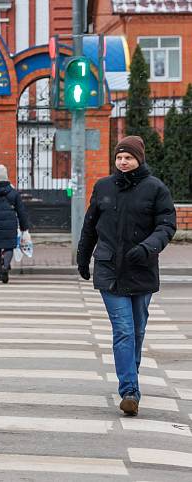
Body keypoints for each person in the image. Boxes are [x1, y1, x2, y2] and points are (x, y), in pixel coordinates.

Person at [77, 136, 176, 416]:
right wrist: (83, 258)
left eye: (128, 157)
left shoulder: (155, 189)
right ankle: (130, 390)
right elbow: (90, 226)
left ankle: (130, 377)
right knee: (123, 331)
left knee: (137, 332)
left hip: (142, 269)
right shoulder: (104, 187)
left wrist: (148, 247)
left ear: (139, 159)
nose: (123, 161)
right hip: (109, 270)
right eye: (119, 157)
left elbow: (167, 225)